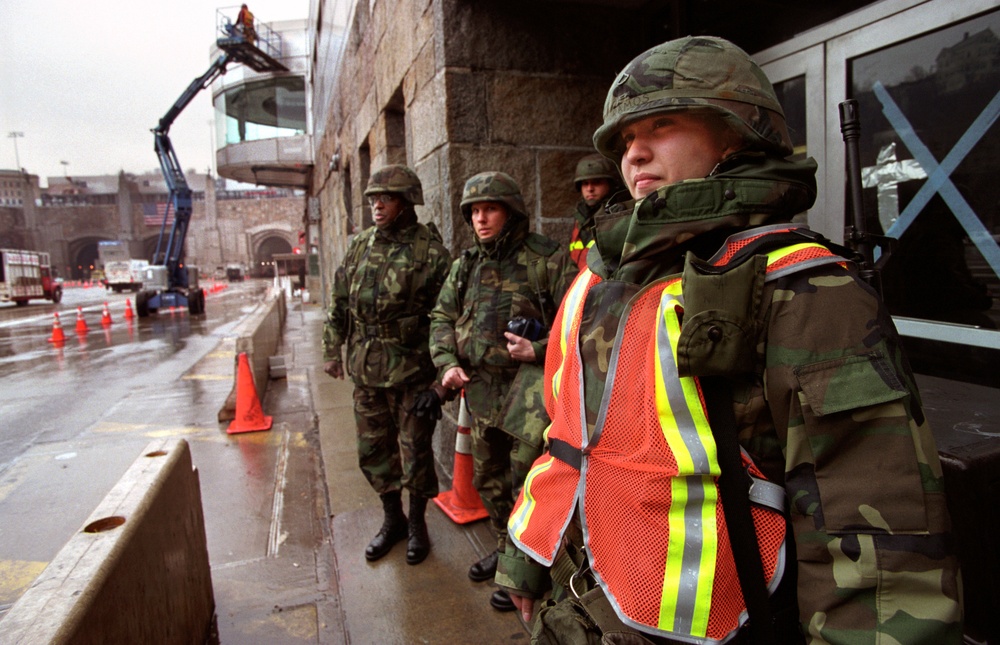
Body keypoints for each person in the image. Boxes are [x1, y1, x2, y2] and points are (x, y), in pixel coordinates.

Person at [497, 36, 963, 644]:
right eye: (624, 141)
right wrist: (525, 560)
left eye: (661, 126)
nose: (635, 154)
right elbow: (566, 438)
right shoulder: (605, 275)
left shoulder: (805, 288)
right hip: (580, 609)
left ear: (737, 134)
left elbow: (876, 540)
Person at [429, 171, 577, 612]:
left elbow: (582, 323)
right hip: (480, 394)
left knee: (527, 484)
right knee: (488, 481)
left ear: (511, 211)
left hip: (529, 396)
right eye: (474, 211)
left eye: (489, 208)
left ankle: (531, 570)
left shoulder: (546, 260)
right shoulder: (466, 265)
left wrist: (541, 348)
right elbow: (440, 317)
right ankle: (505, 549)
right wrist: (447, 364)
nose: (481, 218)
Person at [322, 164, 451, 566]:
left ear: (407, 201)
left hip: (412, 370)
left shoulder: (430, 252)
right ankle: (391, 518)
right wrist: (332, 348)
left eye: (387, 197)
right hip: (366, 368)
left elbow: (447, 314)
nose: (377, 205)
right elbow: (340, 299)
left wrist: (441, 377)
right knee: (373, 450)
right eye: (373, 198)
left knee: (415, 453)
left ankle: (416, 523)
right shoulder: (361, 246)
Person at [567, 153, 622, 270]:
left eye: (596, 182)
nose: (590, 189)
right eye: (585, 183)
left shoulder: (618, 217)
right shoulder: (581, 218)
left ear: (610, 184)